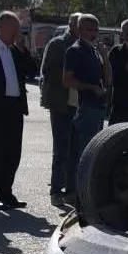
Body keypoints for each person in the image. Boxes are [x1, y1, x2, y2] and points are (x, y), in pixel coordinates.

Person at [0, 11, 34, 212]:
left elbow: (32, 70)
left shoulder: (14, 51)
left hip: (15, 108)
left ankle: (5, 192)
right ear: (2, 27)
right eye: (14, 29)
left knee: (12, 153)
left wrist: (23, 49)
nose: (17, 34)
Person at [40, 13, 81, 207]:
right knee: (61, 151)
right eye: (77, 24)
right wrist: (72, 74)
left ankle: (71, 191)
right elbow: (48, 71)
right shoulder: (57, 44)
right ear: (71, 25)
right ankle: (56, 191)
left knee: (76, 150)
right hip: (61, 104)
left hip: (79, 105)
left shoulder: (85, 46)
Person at [64, 14, 111, 164]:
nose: (93, 34)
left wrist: (105, 56)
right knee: (84, 154)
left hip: (99, 107)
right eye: (89, 30)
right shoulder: (75, 50)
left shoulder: (95, 51)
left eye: (96, 30)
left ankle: (86, 185)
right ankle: (78, 186)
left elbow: (108, 79)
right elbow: (67, 80)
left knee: (95, 153)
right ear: (80, 30)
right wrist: (90, 87)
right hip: (85, 107)